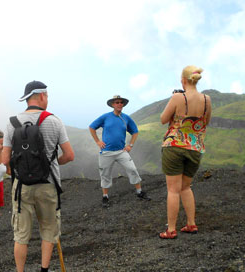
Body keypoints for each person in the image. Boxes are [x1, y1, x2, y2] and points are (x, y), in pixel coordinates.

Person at [2, 80, 74, 272]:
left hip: (21, 186)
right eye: (47, 95)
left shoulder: (11, 123)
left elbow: (5, 158)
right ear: (41, 96)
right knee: (49, 230)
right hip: (48, 185)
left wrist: (17, 171)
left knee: (21, 234)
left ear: (28, 98)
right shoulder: (54, 121)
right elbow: (69, 155)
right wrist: (52, 164)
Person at [159, 66, 212, 239]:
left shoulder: (177, 97)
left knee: (173, 190)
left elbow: (163, 119)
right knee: (186, 187)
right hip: (195, 148)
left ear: (183, 80)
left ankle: (171, 230)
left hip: (174, 146)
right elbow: (206, 122)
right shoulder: (207, 100)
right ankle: (191, 224)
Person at [89, 95, 150, 208]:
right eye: (117, 102)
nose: (119, 104)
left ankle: (139, 192)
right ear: (113, 104)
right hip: (106, 152)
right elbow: (92, 127)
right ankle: (105, 196)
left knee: (132, 169)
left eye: (121, 102)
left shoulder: (126, 118)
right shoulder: (106, 117)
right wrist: (98, 141)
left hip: (121, 151)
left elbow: (135, 132)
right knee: (105, 174)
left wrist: (130, 145)